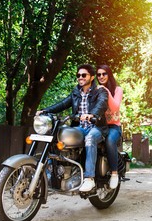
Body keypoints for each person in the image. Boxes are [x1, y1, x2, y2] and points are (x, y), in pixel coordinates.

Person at [36, 64, 109, 192]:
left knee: (91, 138)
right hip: (79, 128)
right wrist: (45, 111)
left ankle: (89, 178)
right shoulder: (76, 92)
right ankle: (55, 172)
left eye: (83, 75)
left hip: (96, 127)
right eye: (78, 75)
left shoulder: (100, 91)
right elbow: (63, 104)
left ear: (91, 77)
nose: (80, 77)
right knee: (59, 134)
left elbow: (102, 103)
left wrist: (92, 114)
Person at [96, 64, 123, 189]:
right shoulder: (95, 90)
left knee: (110, 140)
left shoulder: (117, 90)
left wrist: (105, 90)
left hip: (113, 127)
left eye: (104, 74)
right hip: (99, 126)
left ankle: (114, 173)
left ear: (109, 75)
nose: (101, 76)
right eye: (98, 74)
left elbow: (115, 107)